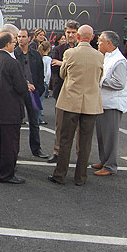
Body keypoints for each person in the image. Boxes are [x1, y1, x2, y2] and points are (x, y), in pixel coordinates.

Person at [48, 25, 104, 186]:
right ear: (92, 38)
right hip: (91, 103)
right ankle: (81, 177)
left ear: (78, 37)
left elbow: (62, 73)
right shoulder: (99, 56)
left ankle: (60, 174)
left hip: (71, 100)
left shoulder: (70, 53)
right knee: (85, 142)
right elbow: (100, 76)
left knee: (66, 140)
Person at [0, 33, 28, 184]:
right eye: (13, 42)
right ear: (7, 44)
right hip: (10, 108)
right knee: (10, 143)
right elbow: (21, 87)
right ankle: (7, 174)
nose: (15, 44)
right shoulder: (12, 63)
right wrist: (27, 87)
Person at [92, 31, 127, 176]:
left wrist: (99, 80)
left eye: (100, 40)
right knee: (102, 135)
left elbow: (119, 83)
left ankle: (110, 165)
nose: (98, 43)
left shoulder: (119, 60)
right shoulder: (107, 57)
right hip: (103, 102)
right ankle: (104, 160)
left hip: (113, 104)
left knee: (110, 136)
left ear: (109, 43)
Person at [47, 20, 79, 163]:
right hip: (61, 91)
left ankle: (80, 154)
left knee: (79, 127)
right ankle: (57, 152)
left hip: (78, 92)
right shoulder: (59, 49)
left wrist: (64, 64)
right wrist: (64, 65)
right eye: (68, 32)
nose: (70, 35)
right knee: (60, 124)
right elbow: (54, 67)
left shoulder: (83, 49)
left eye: (73, 32)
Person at [14, 28, 48, 159]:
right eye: (19, 37)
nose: (21, 39)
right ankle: (14, 151)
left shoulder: (35, 54)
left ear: (29, 38)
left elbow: (40, 73)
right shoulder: (14, 54)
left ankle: (36, 149)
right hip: (18, 93)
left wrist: (39, 89)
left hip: (34, 93)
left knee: (34, 122)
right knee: (16, 122)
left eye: (23, 36)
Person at [38, 40, 52, 125]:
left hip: (38, 80)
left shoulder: (39, 57)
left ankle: (37, 116)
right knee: (40, 100)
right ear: (49, 49)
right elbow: (48, 73)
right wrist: (47, 82)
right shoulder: (48, 59)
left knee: (37, 100)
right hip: (44, 81)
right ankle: (39, 118)